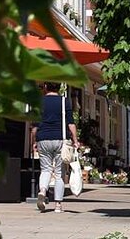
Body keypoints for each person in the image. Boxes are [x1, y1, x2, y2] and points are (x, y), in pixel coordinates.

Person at [29, 83, 80, 213]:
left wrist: (33, 141)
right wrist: (75, 141)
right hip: (60, 139)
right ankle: (58, 205)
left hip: (43, 138)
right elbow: (70, 123)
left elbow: (34, 126)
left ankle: (42, 191)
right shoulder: (64, 101)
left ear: (45, 86)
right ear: (59, 87)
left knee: (45, 169)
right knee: (59, 174)